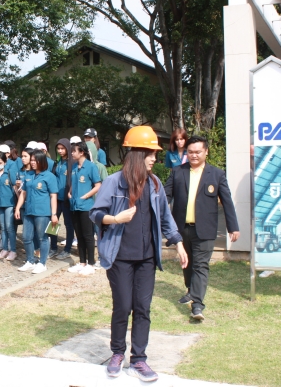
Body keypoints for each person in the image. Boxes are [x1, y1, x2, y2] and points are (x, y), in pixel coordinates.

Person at [89, 125, 188, 382]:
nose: (154, 158)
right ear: (136, 155)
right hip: (119, 257)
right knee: (123, 306)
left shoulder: (154, 184)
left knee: (143, 308)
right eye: (150, 153)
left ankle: (139, 359)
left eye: (155, 153)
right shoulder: (114, 182)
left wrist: (178, 243)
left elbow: (165, 217)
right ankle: (117, 353)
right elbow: (95, 213)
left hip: (147, 259)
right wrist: (115, 218)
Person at [164, 135, 240, 321]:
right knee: (187, 263)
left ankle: (197, 305)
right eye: (190, 152)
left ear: (206, 152)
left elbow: (227, 201)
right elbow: (165, 196)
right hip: (182, 228)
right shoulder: (177, 172)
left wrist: (233, 227)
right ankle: (191, 290)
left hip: (205, 229)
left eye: (198, 152)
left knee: (201, 265)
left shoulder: (217, 174)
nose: (194, 155)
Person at [14, 149, 58, 274]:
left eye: (35, 160)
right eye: (32, 160)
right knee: (26, 237)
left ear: (42, 161)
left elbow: (53, 196)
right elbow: (23, 193)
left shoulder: (49, 176)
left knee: (42, 238)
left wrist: (54, 214)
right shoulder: (28, 174)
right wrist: (17, 208)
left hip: (42, 212)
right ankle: (30, 261)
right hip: (29, 211)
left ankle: (42, 263)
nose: (32, 162)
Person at [67, 142, 102, 275]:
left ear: (82, 152)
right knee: (79, 235)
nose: (72, 153)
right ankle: (82, 262)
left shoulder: (91, 167)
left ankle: (91, 263)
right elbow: (74, 183)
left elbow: (98, 185)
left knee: (88, 235)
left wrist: (85, 196)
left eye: (74, 151)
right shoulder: (74, 167)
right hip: (74, 205)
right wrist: (70, 192)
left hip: (86, 206)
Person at [50, 138, 75, 260]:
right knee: (53, 223)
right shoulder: (57, 163)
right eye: (58, 149)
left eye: (62, 148)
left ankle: (67, 249)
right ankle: (53, 248)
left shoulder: (72, 163)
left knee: (68, 225)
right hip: (56, 199)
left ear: (68, 149)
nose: (60, 151)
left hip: (67, 200)